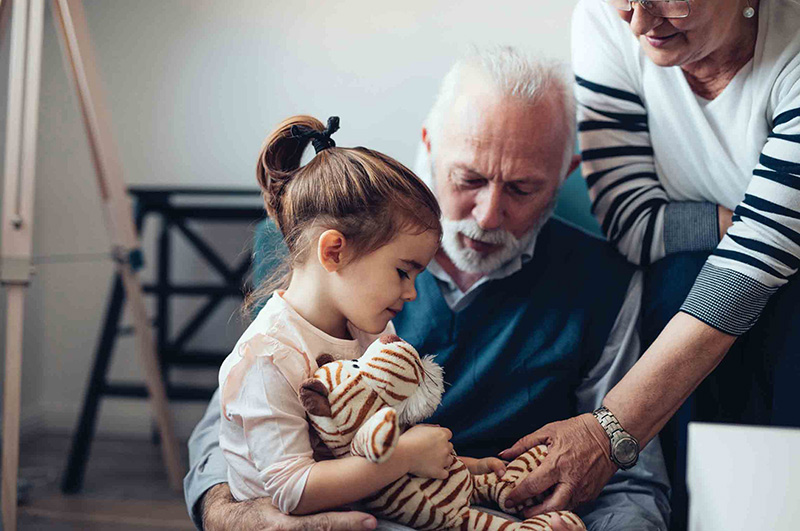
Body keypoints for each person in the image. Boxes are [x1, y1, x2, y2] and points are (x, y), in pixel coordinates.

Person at [184, 48, 670, 531]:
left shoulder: (604, 282)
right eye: (469, 178)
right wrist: (241, 517)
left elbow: (630, 480)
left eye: (522, 189)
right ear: (430, 146)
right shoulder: (331, 251)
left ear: (562, 178)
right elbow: (235, 429)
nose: (487, 215)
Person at [500, 1, 800, 529]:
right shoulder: (601, 19)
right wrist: (747, 224)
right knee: (681, 277)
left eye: (670, 0)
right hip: (690, 288)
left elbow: (751, 273)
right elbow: (631, 219)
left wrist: (608, 433)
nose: (640, 23)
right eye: (628, 0)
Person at [216, 114, 456, 516]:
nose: (413, 293)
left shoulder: (367, 331)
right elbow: (291, 490)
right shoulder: (269, 357)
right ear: (334, 251)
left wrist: (461, 469)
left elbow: (373, 445)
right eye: (403, 271)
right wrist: (405, 458)